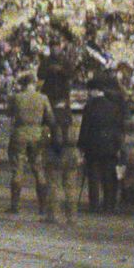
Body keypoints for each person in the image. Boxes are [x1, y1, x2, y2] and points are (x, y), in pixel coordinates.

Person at [79, 74, 129, 213]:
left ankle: (94, 204)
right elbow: (119, 127)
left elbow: (85, 128)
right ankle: (109, 204)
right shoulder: (113, 107)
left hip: (93, 145)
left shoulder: (89, 107)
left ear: (94, 90)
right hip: (110, 145)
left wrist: (81, 146)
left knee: (93, 177)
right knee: (109, 177)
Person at [7, 72, 54, 217]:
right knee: (38, 168)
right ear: (34, 83)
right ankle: (42, 207)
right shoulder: (43, 98)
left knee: (17, 168)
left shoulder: (16, 97)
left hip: (20, 133)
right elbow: (50, 118)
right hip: (37, 135)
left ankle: (15, 205)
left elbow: (9, 114)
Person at [45, 87, 80, 225]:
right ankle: (72, 216)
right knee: (71, 187)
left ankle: (54, 215)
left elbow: (46, 136)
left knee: (54, 185)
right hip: (70, 154)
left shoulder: (50, 117)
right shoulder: (71, 117)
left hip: (55, 154)